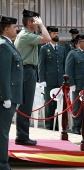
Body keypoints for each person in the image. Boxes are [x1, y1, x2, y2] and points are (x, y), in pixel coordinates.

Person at [14, 9, 51, 146]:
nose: (37, 24)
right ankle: (22, 136)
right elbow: (48, 38)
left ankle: (22, 135)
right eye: (35, 22)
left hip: (28, 71)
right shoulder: (25, 35)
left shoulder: (27, 34)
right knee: (25, 105)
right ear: (30, 22)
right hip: (26, 71)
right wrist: (42, 26)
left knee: (25, 104)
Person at [0, 15, 23, 170]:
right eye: (15, 27)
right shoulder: (3, 46)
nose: (17, 29)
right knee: (3, 132)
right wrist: (6, 96)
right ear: (6, 28)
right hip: (6, 97)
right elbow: (4, 74)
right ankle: (2, 164)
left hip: (12, 95)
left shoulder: (9, 44)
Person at [65, 34, 84, 134]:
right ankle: (76, 126)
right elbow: (69, 69)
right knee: (77, 106)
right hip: (78, 84)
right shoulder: (73, 53)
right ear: (79, 43)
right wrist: (71, 83)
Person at [38, 26, 66, 130]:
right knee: (49, 103)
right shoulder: (44, 48)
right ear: (49, 34)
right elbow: (41, 65)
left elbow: (64, 65)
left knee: (60, 103)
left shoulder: (62, 48)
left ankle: (58, 124)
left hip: (60, 80)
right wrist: (42, 80)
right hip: (49, 80)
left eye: (57, 33)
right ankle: (49, 125)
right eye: (54, 33)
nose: (56, 35)